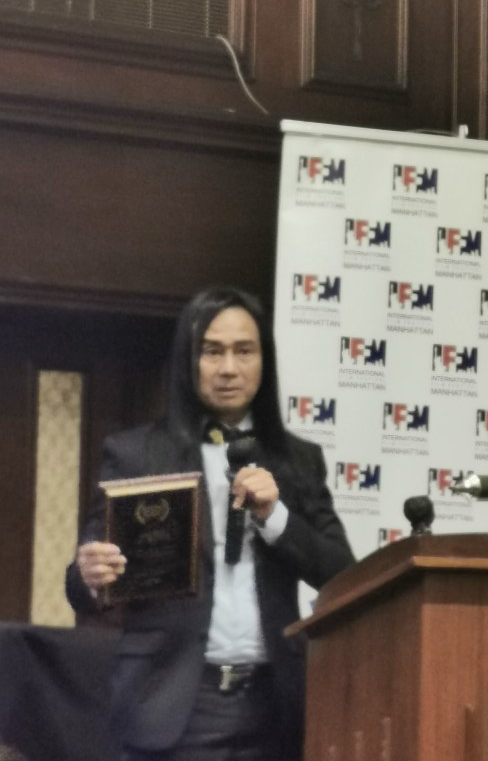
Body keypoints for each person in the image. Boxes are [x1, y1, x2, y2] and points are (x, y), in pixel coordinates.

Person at [66, 287, 355, 761]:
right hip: (172, 701)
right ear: (188, 361)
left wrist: (275, 517)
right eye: (212, 351)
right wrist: (89, 574)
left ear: (264, 360)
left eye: (244, 351)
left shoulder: (298, 460)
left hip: (275, 704)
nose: (228, 368)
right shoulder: (137, 454)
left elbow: (342, 574)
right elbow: (81, 585)